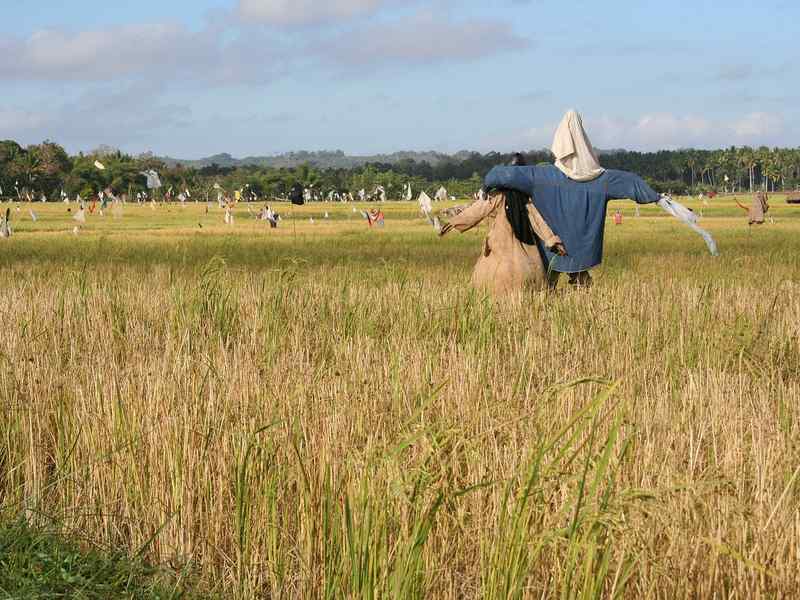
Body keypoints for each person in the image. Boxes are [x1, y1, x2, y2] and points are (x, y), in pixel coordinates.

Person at [483, 110, 661, 288]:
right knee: (582, 287)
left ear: (560, 143)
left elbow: (500, 174)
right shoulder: (601, 180)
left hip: (551, 250)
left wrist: (486, 187)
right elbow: (631, 182)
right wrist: (657, 198)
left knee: (545, 288)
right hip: (579, 255)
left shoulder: (540, 176)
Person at [439, 154, 566, 295]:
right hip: (526, 257)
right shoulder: (526, 200)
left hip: (501, 250)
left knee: (490, 275)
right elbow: (538, 222)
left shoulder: (498, 196)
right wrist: (552, 240)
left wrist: (454, 222)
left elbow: (477, 210)